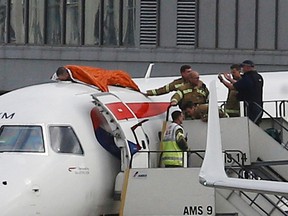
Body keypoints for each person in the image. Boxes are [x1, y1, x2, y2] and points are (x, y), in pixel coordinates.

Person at [219, 60, 264, 125]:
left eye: (243, 67)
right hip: (259, 106)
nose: (242, 69)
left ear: (247, 67)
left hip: (250, 107)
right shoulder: (258, 77)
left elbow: (232, 87)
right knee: (256, 124)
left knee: (251, 125)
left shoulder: (247, 78)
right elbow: (240, 84)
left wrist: (222, 80)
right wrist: (230, 79)